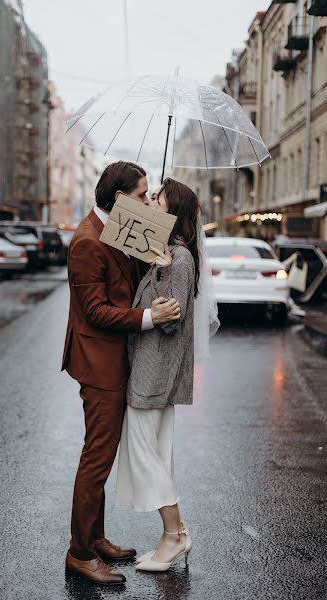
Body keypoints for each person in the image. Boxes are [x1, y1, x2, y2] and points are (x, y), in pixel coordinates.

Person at [62, 162, 181, 586]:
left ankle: (95, 538)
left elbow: (130, 282)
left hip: (116, 359)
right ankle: (80, 553)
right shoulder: (87, 243)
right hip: (99, 364)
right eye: (142, 194)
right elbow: (94, 311)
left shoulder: (118, 232)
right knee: (96, 459)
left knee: (104, 455)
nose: (149, 201)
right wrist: (149, 317)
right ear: (120, 198)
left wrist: (156, 253)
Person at [116, 177, 219, 572]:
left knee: (146, 455)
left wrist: (159, 269)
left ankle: (174, 536)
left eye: (155, 197)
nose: (149, 201)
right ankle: (173, 535)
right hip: (151, 368)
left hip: (155, 372)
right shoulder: (167, 253)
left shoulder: (178, 258)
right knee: (154, 453)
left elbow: (172, 320)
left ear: (171, 211)